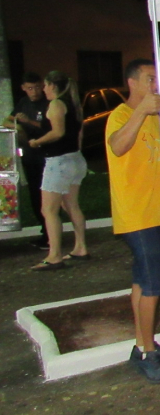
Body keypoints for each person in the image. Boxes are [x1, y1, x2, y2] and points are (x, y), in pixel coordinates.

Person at [106, 59, 160, 383]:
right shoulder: (121, 115)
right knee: (153, 286)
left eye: (157, 80)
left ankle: (141, 345)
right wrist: (140, 112)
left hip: (154, 214)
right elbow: (118, 146)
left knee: (140, 281)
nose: (155, 86)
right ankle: (148, 353)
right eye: (149, 79)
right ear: (132, 82)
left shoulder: (152, 118)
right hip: (136, 216)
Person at [27, 71, 88, 270]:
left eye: (44, 85)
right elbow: (77, 135)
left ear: (53, 85)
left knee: (48, 210)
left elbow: (57, 132)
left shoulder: (56, 105)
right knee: (71, 205)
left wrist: (37, 142)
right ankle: (80, 247)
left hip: (59, 161)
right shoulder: (73, 104)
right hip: (75, 159)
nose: (43, 89)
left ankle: (54, 255)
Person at [3, 73, 50, 249]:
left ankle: (50, 234)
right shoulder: (23, 102)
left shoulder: (48, 103)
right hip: (29, 156)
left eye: (37, 87)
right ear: (23, 88)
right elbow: (8, 120)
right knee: (34, 194)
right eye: (30, 88)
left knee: (47, 195)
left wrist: (28, 121)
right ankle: (44, 231)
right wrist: (20, 127)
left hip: (45, 155)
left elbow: (50, 127)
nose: (34, 91)